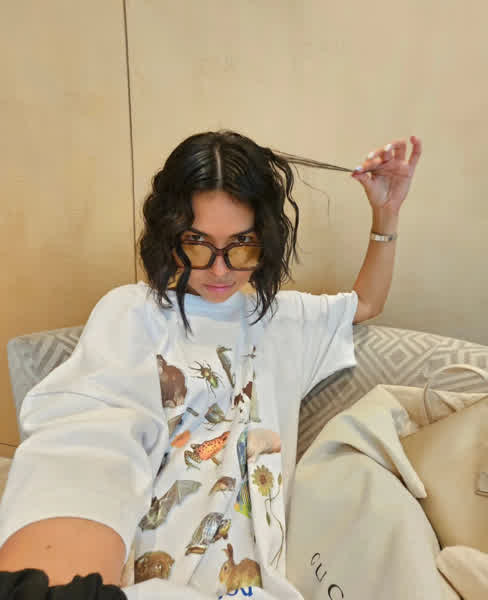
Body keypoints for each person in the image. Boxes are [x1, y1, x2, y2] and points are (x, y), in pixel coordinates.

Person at [0, 130, 422, 600]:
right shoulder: (134, 313)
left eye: (242, 244)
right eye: (197, 243)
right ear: (169, 236)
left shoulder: (281, 321)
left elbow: (366, 303)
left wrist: (386, 213)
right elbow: (90, 440)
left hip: (255, 582)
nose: (220, 270)